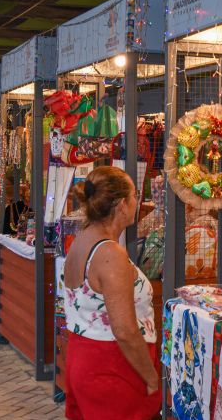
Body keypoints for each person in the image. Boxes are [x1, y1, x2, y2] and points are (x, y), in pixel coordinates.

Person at [63, 166, 160, 420]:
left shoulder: (83, 239)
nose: (137, 201)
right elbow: (125, 331)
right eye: (134, 195)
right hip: (113, 368)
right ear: (121, 204)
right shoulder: (109, 254)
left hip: (84, 359)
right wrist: (150, 376)